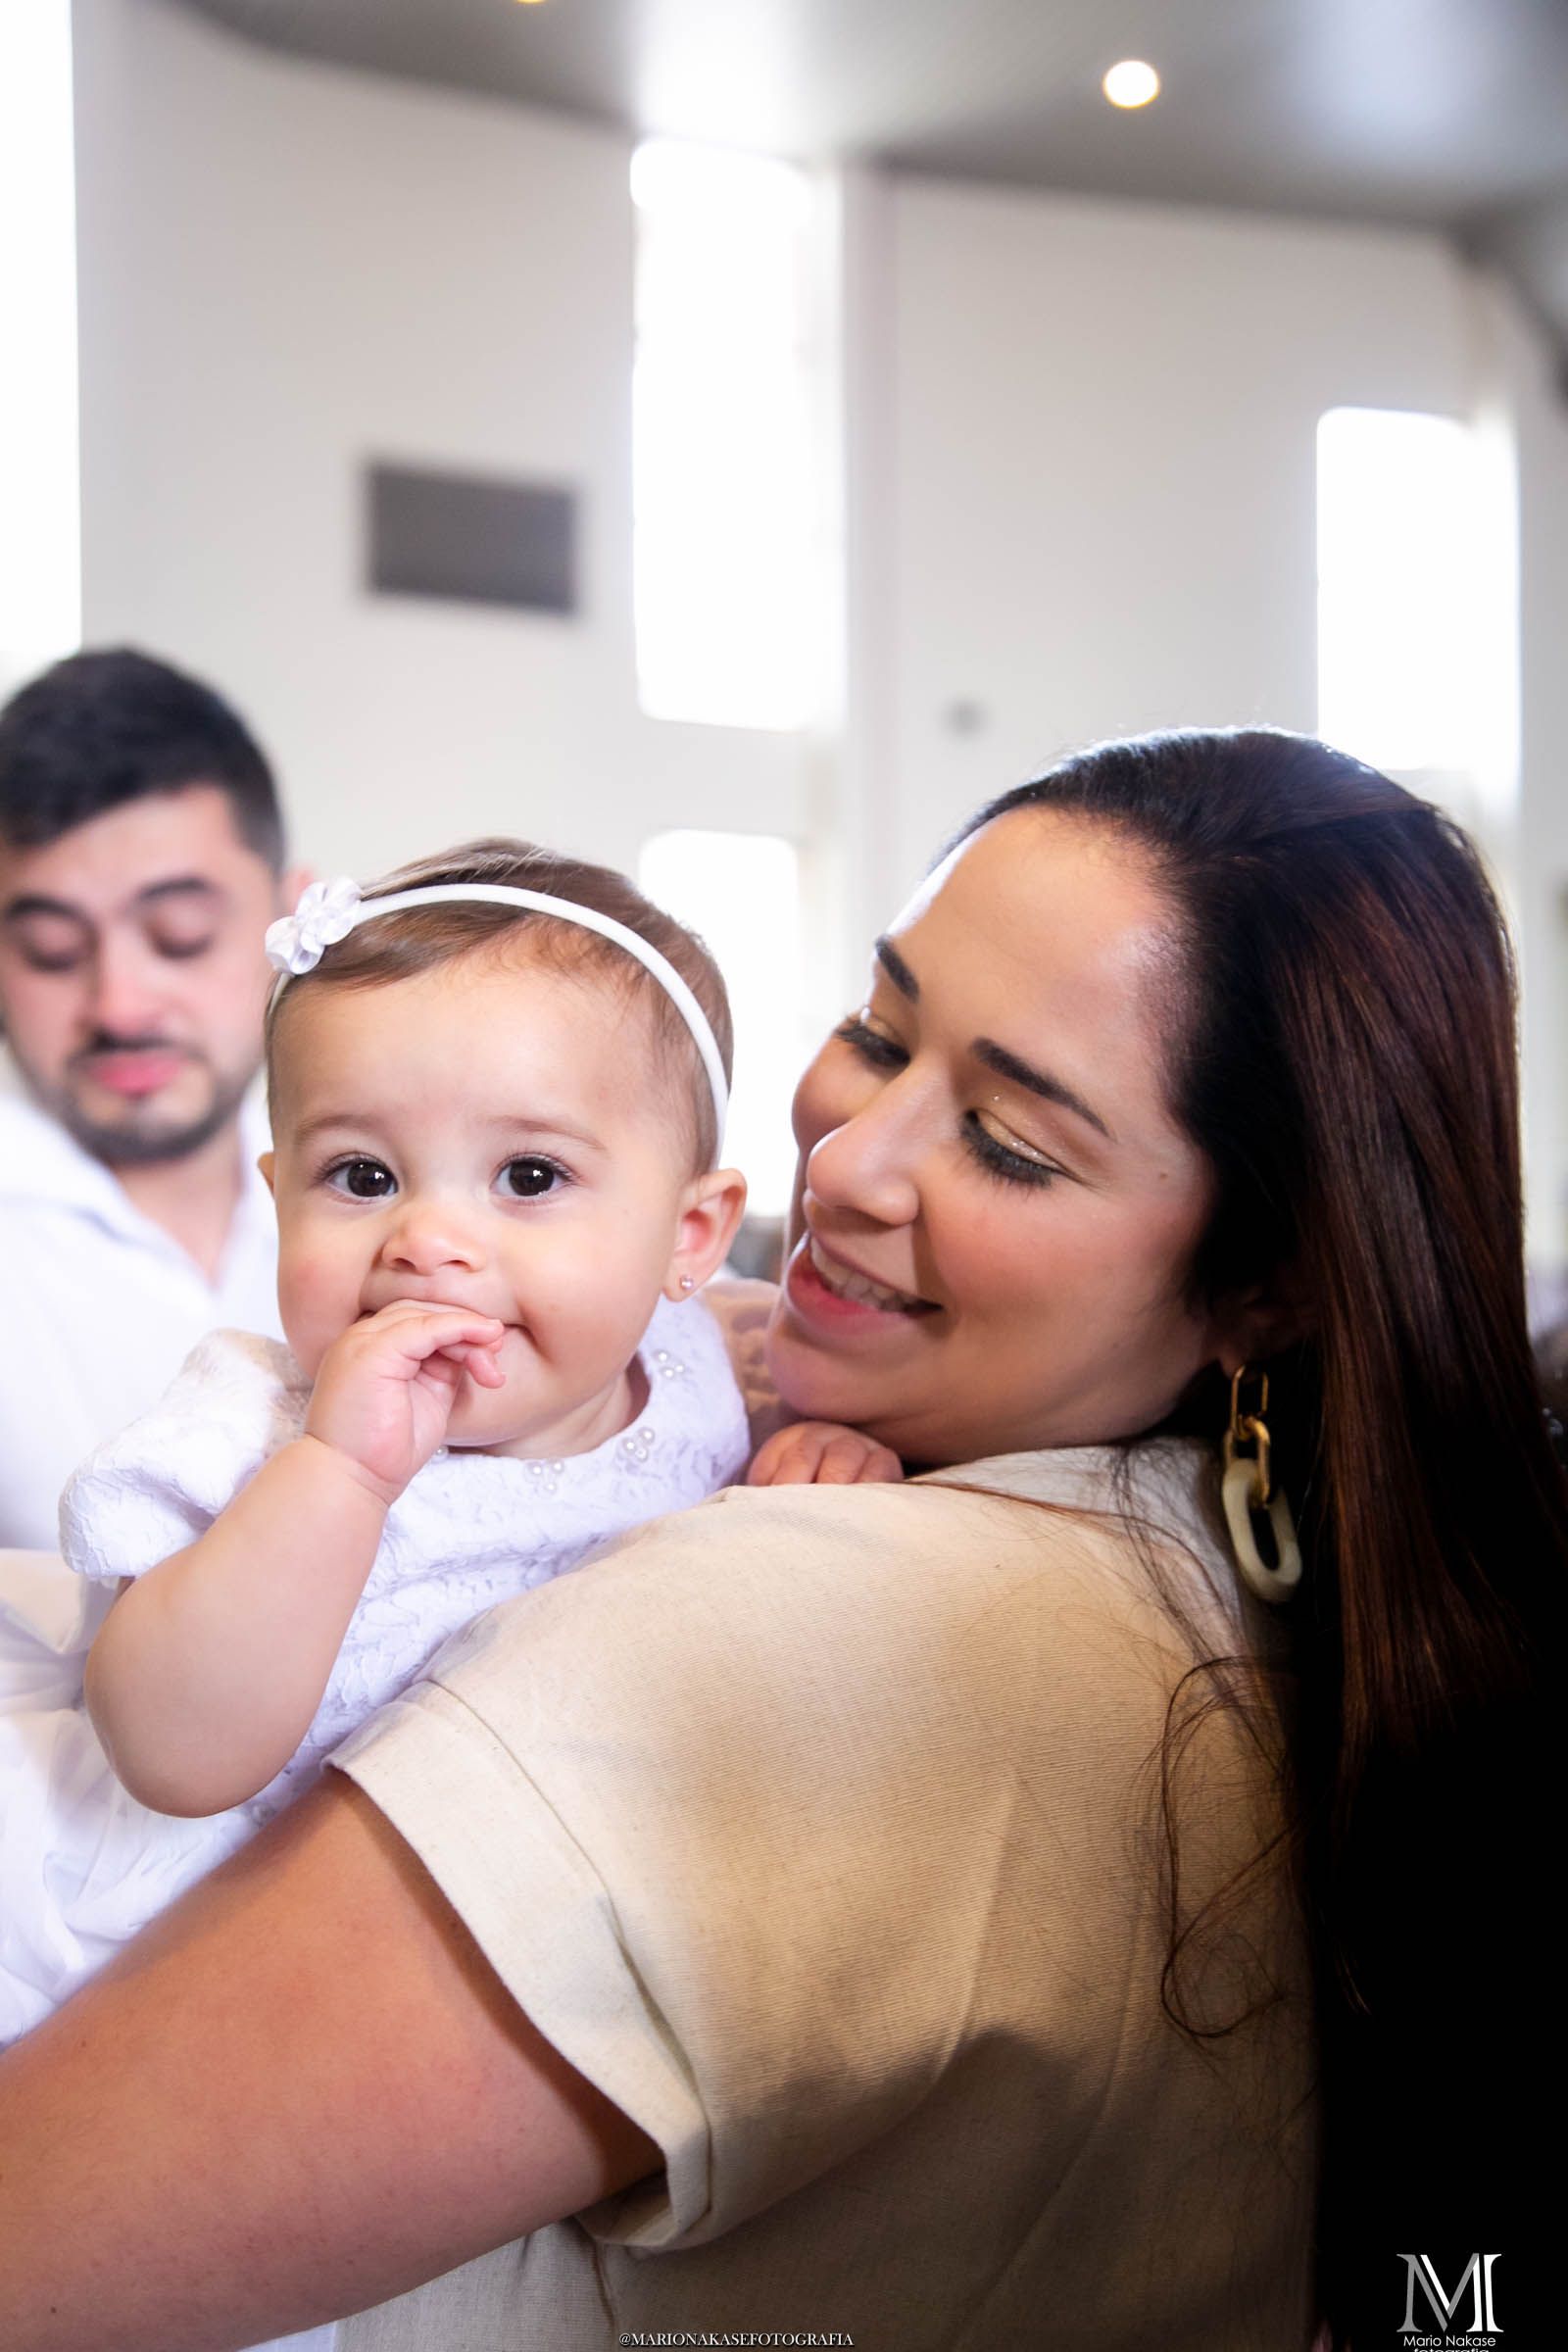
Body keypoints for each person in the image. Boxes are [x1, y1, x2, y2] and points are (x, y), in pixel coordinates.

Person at [0, 730, 1554, 2350]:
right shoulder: (706, 1395)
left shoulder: (856, 1615)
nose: (849, 1162)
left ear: (1265, 1284)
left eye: (1013, 1141)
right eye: (876, 1035)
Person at [1, 836, 833, 2040]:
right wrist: (338, 1476)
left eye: (531, 1174)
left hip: (473, 1936)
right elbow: (169, 1757)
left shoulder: (709, 1364)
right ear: (279, 1191)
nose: (431, 1239)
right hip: (151, 1941)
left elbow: (806, 1463)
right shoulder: (251, 1425)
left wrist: (830, 1463)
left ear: (690, 1237)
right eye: (362, 1175)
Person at [0, 646, 295, 1550]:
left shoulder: (414, 1187)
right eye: (52, 949)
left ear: (295, 920)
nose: (119, 1006)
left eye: (181, 935)